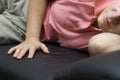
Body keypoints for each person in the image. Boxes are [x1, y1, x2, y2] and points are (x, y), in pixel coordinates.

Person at [7, 0, 116, 59]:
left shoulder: (109, 39)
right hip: (25, 5)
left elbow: (98, 44)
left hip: (20, 27)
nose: (116, 16)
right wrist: (31, 37)